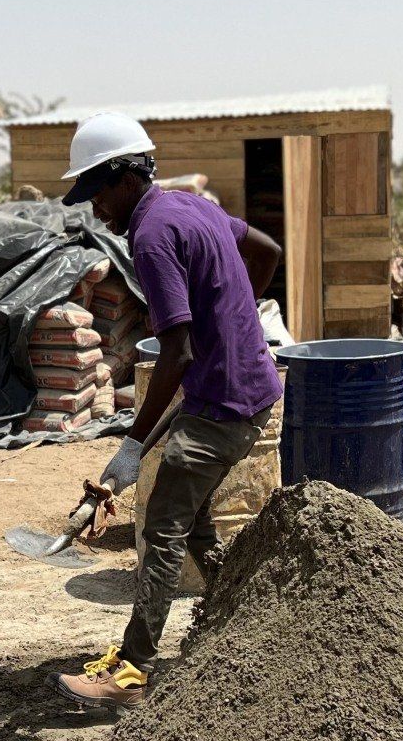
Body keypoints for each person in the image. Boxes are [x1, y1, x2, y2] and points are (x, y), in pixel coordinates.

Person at [52, 113, 283, 709]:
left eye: (97, 191)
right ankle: (238, 626)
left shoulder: (151, 237)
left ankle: (132, 671)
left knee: (161, 525)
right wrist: (235, 311)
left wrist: (133, 443)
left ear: (125, 177)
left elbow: (175, 351)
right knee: (196, 518)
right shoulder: (193, 206)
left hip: (223, 401)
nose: (95, 209)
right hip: (242, 386)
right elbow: (266, 249)